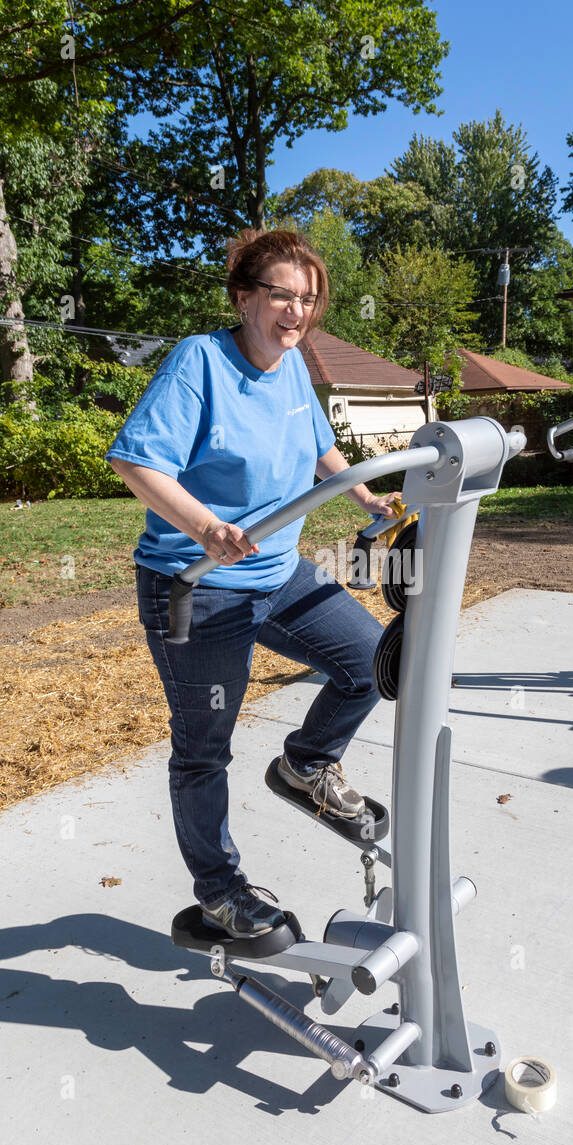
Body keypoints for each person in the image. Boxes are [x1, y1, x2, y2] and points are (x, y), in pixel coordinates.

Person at [106, 228, 399, 939]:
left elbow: (314, 443)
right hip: (198, 584)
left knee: (371, 664)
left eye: (308, 299)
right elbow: (134, 463)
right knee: (204, 748)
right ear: (244, 299)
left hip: (277, 573)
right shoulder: (199, 363)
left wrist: (365, 498)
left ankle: (305, 765)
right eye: (280, 297)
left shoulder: (293, 364)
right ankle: (220, 891)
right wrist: (207, 528)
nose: (296, 312)